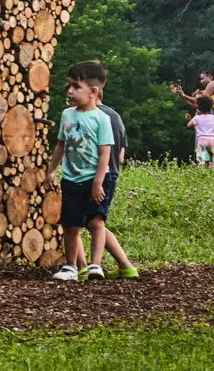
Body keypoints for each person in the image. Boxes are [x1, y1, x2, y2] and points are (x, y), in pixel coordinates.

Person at [51, 61, 117, 282]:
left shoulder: (102, 119)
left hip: (95, 179)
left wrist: (98, 182)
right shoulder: (67, 115)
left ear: (93, 92)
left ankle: (95, 265)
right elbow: (60, 145)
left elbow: (105, 153)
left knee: (96, 222)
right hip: (71, 179)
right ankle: (71, 267)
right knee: (70, 225)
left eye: (75, 87)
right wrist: (51, 171)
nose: (69, 91)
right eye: (68, 85)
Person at [84, 65, 138, 279]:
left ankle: (119, 265)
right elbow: (122, 154)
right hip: (112, 172)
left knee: (93, 222)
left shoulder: (94, 116)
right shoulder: (115, 116)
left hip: (96, 174)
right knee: (94, 222)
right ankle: (125, 266)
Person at [187, 96, 214, 167]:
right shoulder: (213, 117)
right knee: (212, 160)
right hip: (211, 141)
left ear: (199, 107)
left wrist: (196, 115)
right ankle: (213, 172)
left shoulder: (197, 118)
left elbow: (188, 125)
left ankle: (201, 173)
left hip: (201, 141)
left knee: (201, 161)